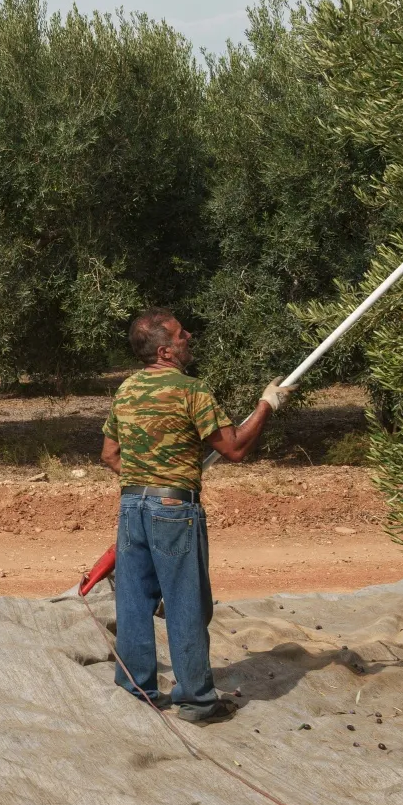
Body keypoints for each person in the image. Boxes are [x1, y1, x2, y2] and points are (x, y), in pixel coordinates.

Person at [98, 310, 291, 724]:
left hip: (132, 506)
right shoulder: (191, 391)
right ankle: (198, 701)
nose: (190, 337)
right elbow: (235, 448)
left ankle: (135, 690)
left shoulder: (127, 391)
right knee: (187, 604)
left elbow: (109, 455)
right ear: (165, 350)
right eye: (182, 334)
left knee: (133, 602)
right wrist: (266, 405)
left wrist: (147, 476)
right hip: (173, 509)